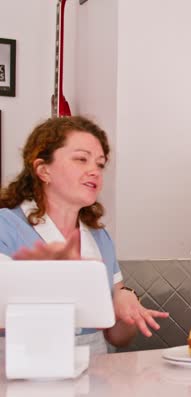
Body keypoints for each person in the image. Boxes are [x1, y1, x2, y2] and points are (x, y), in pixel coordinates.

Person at [0, 116, 168, 354]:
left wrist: (126, 308)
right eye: (81, 159)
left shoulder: (100, 238)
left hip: (96, 376)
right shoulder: (5, 227)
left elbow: (118, 338)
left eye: (100, 164)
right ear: (43, 169)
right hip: (18, 373)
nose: (95, 171)